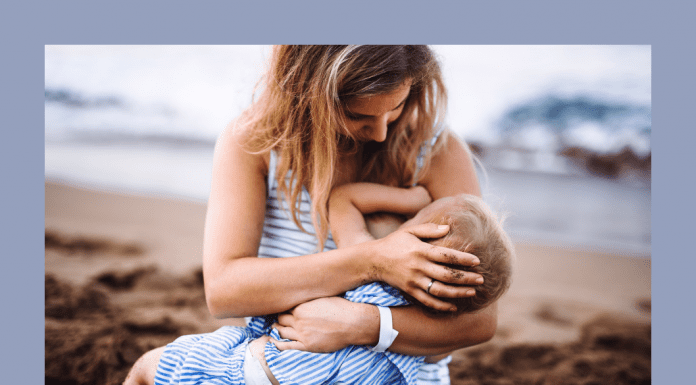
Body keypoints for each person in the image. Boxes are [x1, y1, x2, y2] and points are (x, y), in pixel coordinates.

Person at [124, 45, 498, 384]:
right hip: (284, 365)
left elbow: (479, 320)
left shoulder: (435, 153)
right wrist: (373, 261)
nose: (382, 133)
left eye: (396, 107)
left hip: (394, 375)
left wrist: (367, 325)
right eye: (357, 114)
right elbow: (224, 290)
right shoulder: (256, 144)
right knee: (147, 368)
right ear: (307, 92)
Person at [125, 184, 514, 385]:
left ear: (417, 233)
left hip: (254, 374)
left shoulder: (376, 259)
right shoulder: (422, 341)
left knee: (148, 369)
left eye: (417, 218)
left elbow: (343, 199)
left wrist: (411, 196)